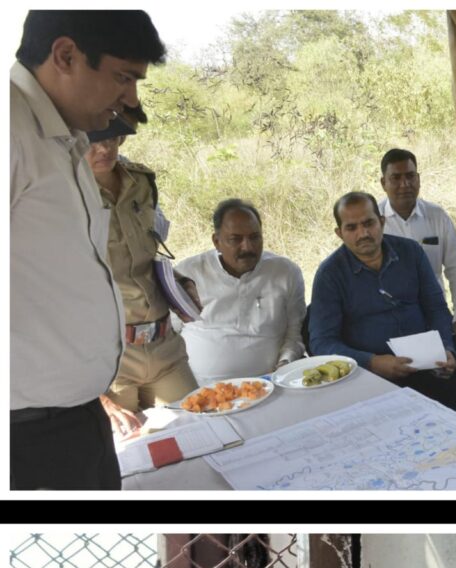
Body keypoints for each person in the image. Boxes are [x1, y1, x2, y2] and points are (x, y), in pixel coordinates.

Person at [11, 10, 166, 489]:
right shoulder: (10, 131)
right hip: (27, 436)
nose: (131, 99)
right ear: (65, 55)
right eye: (123, 77)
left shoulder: (65, 140)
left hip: (75, 421)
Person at [307, 192, 456, 422]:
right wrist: (372, 362)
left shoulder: (410, 252)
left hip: (428, 360)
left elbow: (436, 308)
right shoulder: (330, 274)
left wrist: (446, 348)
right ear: (339, 233)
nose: (363, 233)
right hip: (371, 372)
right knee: (406, 418)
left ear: (382, 222)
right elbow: (321, 342)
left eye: (369, 223)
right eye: (351, 228)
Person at [85, 105, 196, 434]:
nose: (105, 148)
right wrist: (94, 395)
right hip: (110, 360)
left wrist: (179, 285)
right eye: (93, 140)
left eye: (112, 138)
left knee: (199, 431)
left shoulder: (142, 183)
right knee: (126, 461)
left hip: (165, 347)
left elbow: (147, 254)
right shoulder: (62, 196)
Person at [175, 200, 306, 382]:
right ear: (217, 241)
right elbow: (169, 333)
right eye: (235, 239)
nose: (248, 247)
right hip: (198, 388)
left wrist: (284, 366)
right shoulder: (189, 273)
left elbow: (295, 332)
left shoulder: (285, 272)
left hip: (268, 384)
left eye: (254, 237)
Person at [379, 148, 456, 352]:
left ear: (419, 179)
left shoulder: (437, 216)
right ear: (383, 183)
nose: (405, 184)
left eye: (410, 176)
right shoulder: (373, 222)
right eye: (396, 178)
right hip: (388, 316)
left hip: (434, 313)